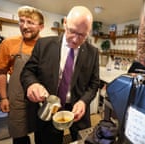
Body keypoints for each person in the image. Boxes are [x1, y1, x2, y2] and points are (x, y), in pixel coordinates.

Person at [20, 6, 100, 144]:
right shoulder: (43, 44)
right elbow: (28, 72)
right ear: (65, 23)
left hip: (77, 111)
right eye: (72, 31)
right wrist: (32, 84)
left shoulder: (93, 52)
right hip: (50, 108)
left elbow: (94, 83)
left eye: (82, 35)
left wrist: (84, 101)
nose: (75, 40)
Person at [0, 6, 44, 144]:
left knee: (42, 133)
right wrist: (3, 98)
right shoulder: (8, 44)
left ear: (41, 26)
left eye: (30, 22)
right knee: (20, 136)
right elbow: (1, 72)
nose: (25, 26)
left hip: (40, 99)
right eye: (22, 21)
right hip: (17, 100)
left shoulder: (46, 46)